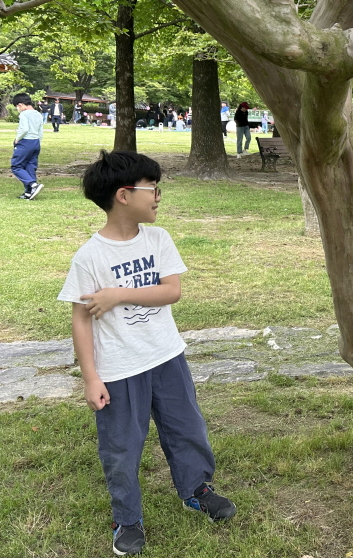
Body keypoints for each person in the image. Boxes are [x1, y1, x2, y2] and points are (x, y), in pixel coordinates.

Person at [57, 150, 236, 556]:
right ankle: (127, 519)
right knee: (121, 447)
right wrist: (91, 378)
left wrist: (118, 294)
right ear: (124, 195)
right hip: (119, 370)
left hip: (167, 357)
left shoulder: (158, 239)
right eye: (152, 188)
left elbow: (171, 291)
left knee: (187, 429)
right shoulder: (89, 257)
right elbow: (81, 320)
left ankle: (196, 490)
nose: (158, 196)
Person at [11, 92, 44, 200]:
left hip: (25, 142)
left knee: (16, 166)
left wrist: (17, 139)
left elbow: (24, 129)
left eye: (17, 107)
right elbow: (40, 132)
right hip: (36, 142)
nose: (18, 109)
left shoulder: (24, 114)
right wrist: (37, 142)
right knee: (30, 166)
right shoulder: (38, 114)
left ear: (20, 105)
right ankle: (29, 192)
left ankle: (33, 185)